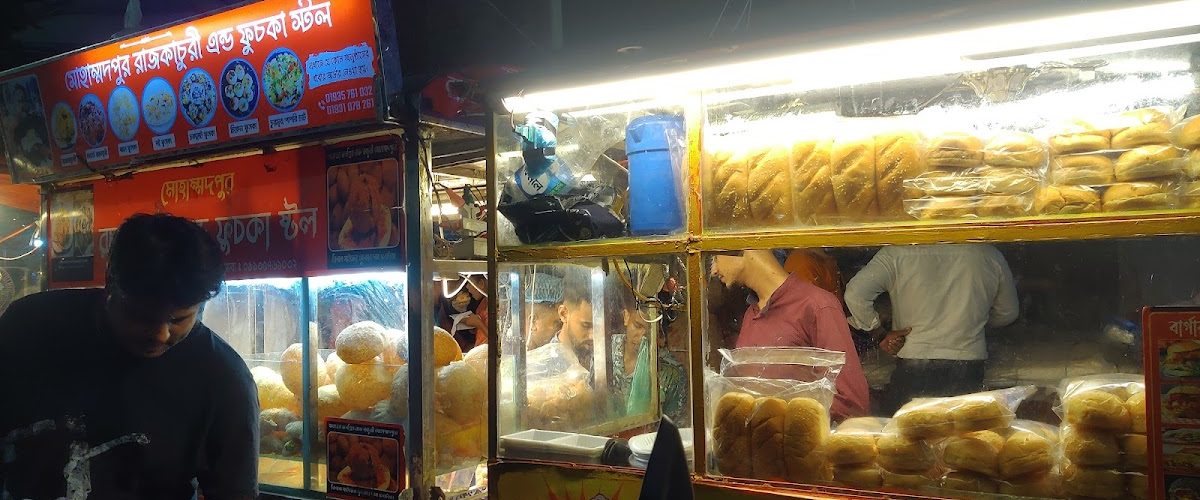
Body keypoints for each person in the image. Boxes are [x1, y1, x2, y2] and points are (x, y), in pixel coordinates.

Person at [0, 213, 258, 499]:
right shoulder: (27, 328)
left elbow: (235, 492)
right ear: (110, 281)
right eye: (143, 316)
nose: (160, 334)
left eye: (179, 319)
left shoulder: (222, 380)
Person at [844, 243, 1019, 413]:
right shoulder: (988, 254)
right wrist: (976, 323)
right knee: (960, 430)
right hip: (968, 363)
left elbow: (855, 294)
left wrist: (879, 332)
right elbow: (1008, 312)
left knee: (907, 430)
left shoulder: (896, 253)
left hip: (914, 363)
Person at [710, 249, 870, 421]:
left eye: (715, 258)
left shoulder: (817, 305)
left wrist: (789, 421)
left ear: (742, 246)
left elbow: (851, 402)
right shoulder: (751, 313)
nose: (713, 270)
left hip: (803, 436)